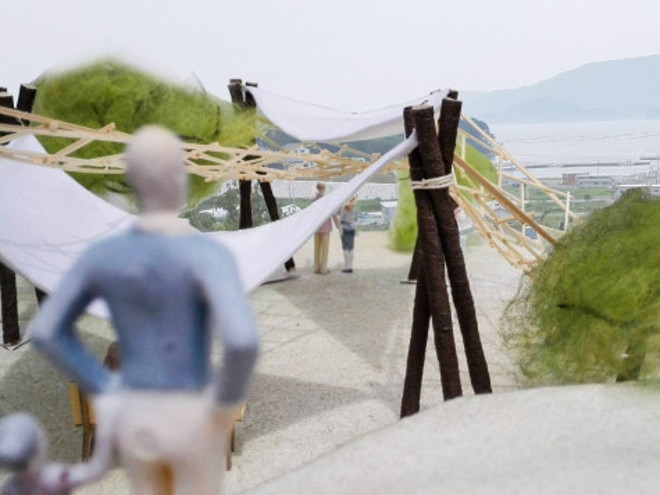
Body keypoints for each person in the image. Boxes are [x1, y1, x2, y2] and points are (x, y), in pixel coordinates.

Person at [29, 126, 260, 495]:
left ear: (133, 182)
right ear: (182, 180)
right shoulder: (208, 255)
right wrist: (223, 408)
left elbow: (46, 331)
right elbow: (242, 341)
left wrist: (105, 386)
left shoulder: (104, 255)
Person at [311, 182, 339, 275]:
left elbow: (311, 215)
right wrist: (338, 225)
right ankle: (323, 268)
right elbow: (333, 214)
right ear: (324, 189)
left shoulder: (313, 200)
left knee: (316, 248)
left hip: (316, 227)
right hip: (326, 228)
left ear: (317, 188)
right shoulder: (328, 200)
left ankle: (316, 268)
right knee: (325, 249)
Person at [339, 197, 358, 273]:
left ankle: (347, 266)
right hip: (352, 229)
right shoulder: (355, 209)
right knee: (351, 248)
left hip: (345, 229)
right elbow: (356, 220)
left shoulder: (344, 209)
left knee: (345, 248)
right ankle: (351, 266)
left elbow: (341, 220)